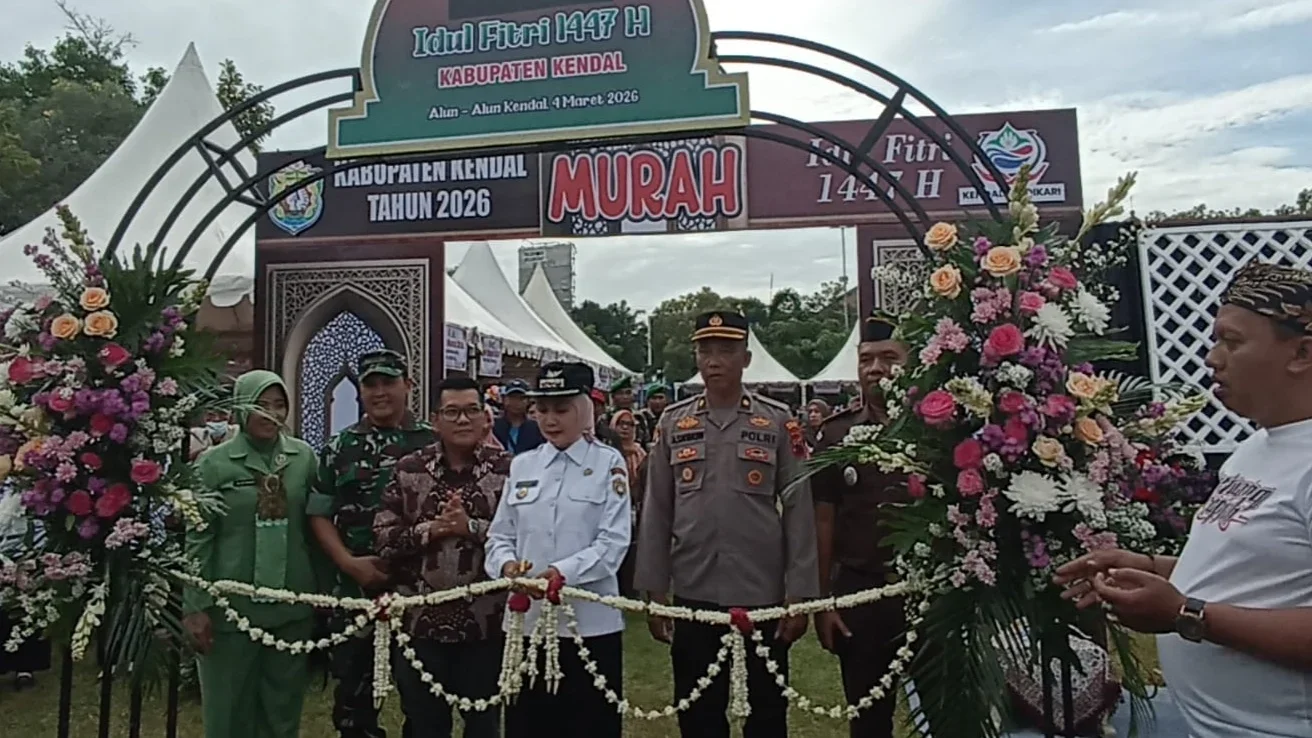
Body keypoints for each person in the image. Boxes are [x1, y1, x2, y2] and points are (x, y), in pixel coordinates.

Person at [1055, 261, 1312, 738]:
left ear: (1302, 353)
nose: (1213, 358)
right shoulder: (1256, 448)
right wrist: (1153, 567)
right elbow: (1259, 572)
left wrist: (1186, 616)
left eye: (1232, 342)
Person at [635, 310, 819, 738]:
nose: (714, 361)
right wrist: (654, 590)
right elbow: (657, 508)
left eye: (726, 351)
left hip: (762, 591)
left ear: (746, 358)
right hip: (694, 589)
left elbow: (799, 508)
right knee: (698, 711)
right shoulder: (673, 422)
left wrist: (799, 594)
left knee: (767, 711)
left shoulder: (778, 421)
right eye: (705, 351)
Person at [484, 362, 631, 738]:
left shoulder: (608, 463)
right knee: (528, 726)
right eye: (543, 409)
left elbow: (613, 543)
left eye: (562, 409)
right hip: (527, 623)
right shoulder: (523, 465)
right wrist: (507, 567)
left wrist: (563, 572)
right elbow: (499, 536)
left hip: (589, 625)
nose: (550, 420)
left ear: (584, 409)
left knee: (590, 726)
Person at [183, 370, 321, 738]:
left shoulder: (303, 458)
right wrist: (195, 606)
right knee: (228, 713)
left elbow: (316, 529)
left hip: (291, 606)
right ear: (240, 408)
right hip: (230, 610)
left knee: (282, 713)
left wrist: (324, 594)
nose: (270, 414)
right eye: (260, 405)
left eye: (278, 405)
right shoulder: (213, 463)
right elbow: (199, 538)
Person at [308, 349, 438, 738]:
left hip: (419, 592)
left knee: (424, 703)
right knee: (353, 705)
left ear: (408, 386)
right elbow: (318, 512)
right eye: (371, 385)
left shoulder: (433, 443)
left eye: (388, 382)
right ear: (360, 391)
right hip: (356, 590)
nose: (380, 392)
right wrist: (348, 563)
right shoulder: (339, 446)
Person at [374, 376, 512, 738]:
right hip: (419, 625)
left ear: (485, 418)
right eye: (452, 412)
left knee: (483, 724)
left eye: (471, 411)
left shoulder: (509, 471)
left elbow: (526, 540)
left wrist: (471, 528)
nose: (463, 420)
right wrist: (431, 530)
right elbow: (383, 538)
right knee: (424, 725)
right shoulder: (409, 470)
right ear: (435, 420)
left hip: (487, 625)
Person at [811, 314, 921, 738]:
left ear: (910, 363)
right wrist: (824, 602)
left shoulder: (938, 428)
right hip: (862, 596)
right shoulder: (836, 435)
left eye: (889, 358)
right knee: (869, 721)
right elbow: (823, 520)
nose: (876, 368)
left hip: (929, 596)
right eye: (866, 359)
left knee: (944, 716)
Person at [609, 409, 648, 596]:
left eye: (630, 424)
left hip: (636, 511)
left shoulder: (642, 454)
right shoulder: (606, 454)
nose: (625, 428)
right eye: (621, 424)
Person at [492, 380, 545, 455]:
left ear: (528, 401)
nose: (516, 402)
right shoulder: (493, 426)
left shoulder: (537, 428)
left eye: (521, 398)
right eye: (512, 398)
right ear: (504, 400)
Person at [634, 382, 669, 449]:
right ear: (647, 401)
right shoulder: (640, 416)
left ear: (666, 400)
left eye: (660, 398)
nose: (657, 402)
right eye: (654, 398)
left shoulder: (669, 415)